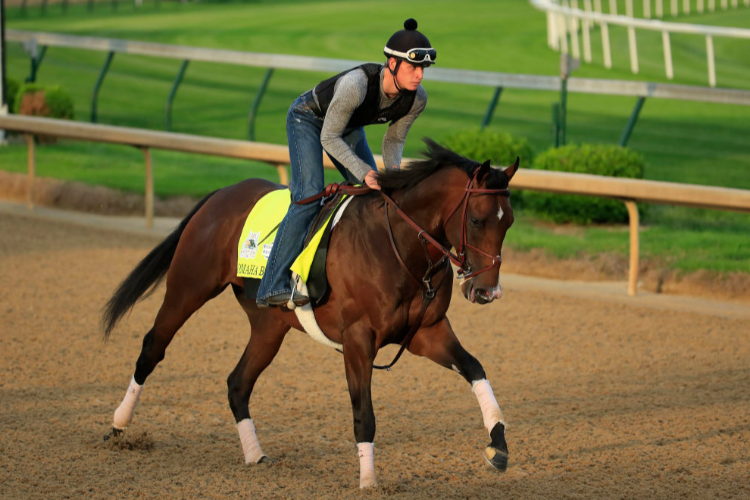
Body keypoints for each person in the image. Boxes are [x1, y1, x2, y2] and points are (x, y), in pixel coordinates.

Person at [257, 18, 436, 308]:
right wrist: (365, 171)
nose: (419, 76)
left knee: (375, 194)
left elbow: (393, 141)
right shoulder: (357, 85)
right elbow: (328, 137)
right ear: (391, 64)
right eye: (412, 67)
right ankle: (271, 285)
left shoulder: (416, 99)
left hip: (347, 128)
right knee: (307, 195)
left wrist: (392, 180)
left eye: (422, 69)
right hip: (308, 120)